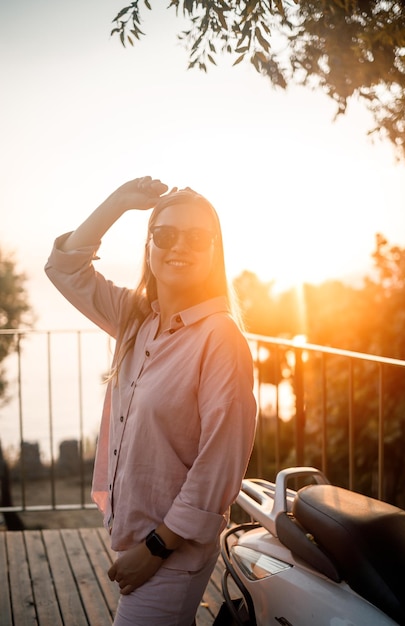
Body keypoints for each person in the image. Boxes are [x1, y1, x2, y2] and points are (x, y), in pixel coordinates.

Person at [45, 176, 257, 626]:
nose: (178, 245)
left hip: (169, 551)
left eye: (196, 236)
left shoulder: (220, 338)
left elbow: (217, 467)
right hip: (137, 535)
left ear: (214, 250)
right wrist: (119, 203)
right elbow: (64, 268)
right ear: (148, 245)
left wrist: (155, 548)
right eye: (164, 234)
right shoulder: (136, 318)